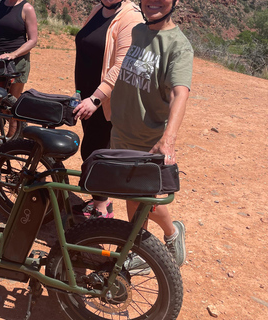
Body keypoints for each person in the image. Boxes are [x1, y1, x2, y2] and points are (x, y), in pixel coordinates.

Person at [108, 0, 193, 266]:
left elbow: (180, 92)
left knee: (142, 198)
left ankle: (171, 232)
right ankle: (139, 247)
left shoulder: (178, 46)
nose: (153, 1)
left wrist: (168, 139)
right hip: (121, 129)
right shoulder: (139, 31)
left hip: (147, 137)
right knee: (129, 196)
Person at [72, 0, 143, 218]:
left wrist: (96, 98)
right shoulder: (98, 10)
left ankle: (101, 211)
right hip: (87, 96)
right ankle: (100, 201)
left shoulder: (130, 17)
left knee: (97, 152)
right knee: (92, 148)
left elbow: (122, 65)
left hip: (105, 101)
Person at [0, 0, 38, 136]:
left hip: (18, 61)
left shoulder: (27, 8)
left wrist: (13, 54)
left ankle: (11, 140)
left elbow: (33, 39)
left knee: (12, 105)